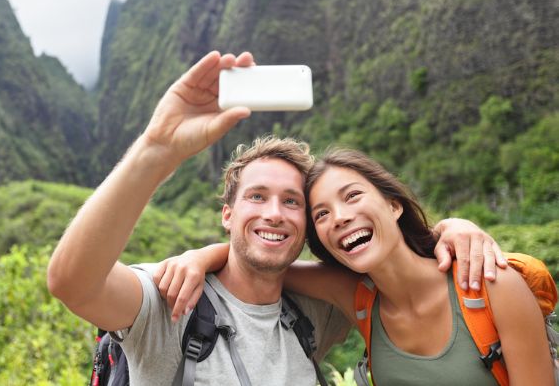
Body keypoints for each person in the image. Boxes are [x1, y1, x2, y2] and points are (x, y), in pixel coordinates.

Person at [47, 51, 504, 385]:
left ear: (308, 225)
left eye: (292, 202)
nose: (274, 213)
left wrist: (451, 229)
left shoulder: (319, 307)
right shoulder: (173, 299)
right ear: (227, 214)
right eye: (257, 197)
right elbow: (73, 282)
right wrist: (156, 150)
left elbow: (400, 270)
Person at [157, 147, 553, 385]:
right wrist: (199, 256)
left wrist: (455, 226)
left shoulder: (489, 285)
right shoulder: (357, 297)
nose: (341, 217)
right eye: (322, 213)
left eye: (353, 197)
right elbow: (259, 260)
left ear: (393, 205)